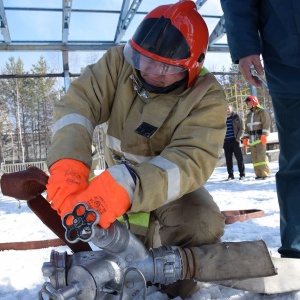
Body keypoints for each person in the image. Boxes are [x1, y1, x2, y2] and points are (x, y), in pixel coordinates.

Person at [45, 1, 227, 298]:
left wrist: (130, 185)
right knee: (121, 250)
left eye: (165, 67)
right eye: (142, 59)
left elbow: (190, 161)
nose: (150, 72)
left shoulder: (207, 96)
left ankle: (177, 285)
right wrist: (69, 164)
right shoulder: (120, 63)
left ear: (192, 66)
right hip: (111, 184)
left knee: (202, 222)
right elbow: (76, 106)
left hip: (172, 190)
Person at [220, 0, 300, 259]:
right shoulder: (245, 115)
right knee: (296, 161)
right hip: (290, 63)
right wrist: (245, 46)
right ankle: (297, 247)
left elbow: (259, 123)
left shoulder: (257, 113)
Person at [243, 95, 271, 179]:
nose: (247, 105)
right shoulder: (249, 115)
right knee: (255, 159)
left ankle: (265, 173)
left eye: (248, 103)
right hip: (252, 140)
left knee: (261, 157)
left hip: (260, 138)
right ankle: (258, 174)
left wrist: (264, 135)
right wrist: (245, 138)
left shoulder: (262, 112)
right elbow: (247, 128)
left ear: (254, 102)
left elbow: (266, 124)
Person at [223, 104, 245, 180]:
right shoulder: (222, 119)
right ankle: (230, 175)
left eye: (228, 109)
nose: (227, 110)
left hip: (235, 141)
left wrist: (238, 138)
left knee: (239, 159)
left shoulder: (236, 117)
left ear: (231, 109)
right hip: (226, 142)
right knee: (228, 160)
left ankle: (242, 174)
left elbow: (242, 128)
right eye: (226, 109)